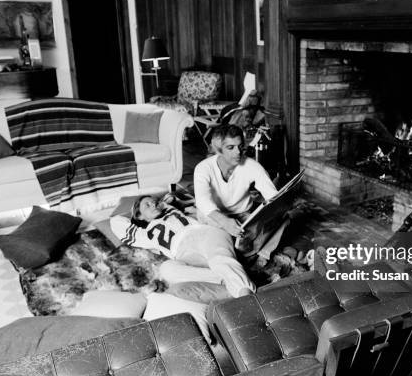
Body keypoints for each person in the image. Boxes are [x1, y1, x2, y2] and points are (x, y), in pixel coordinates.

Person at [122, 194, 255, 298]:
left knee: (219, 258)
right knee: (167, 270)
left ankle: (246, 295)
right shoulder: (144, 234)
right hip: (184, 252)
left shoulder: (170, 209)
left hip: (205, 233)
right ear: (139, 216)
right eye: (147, 205)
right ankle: (224, 278)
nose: (153, 205)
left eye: (154, 202)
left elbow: (173, 197)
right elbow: (115, 222)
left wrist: (166, 202)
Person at [193, 124, 288, 259]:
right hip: (213, 216)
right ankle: (242, 249)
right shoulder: (203, 168)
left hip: (242, 215)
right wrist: (224, 222)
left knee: (283, 218)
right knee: (221, 242)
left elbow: (271, 195)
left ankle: (261, 254)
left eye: (240, 146)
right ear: (218, 150)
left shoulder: (252, 165)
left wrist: (279, 204)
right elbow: (202, 201)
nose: (238, 152)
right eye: (230, 147)